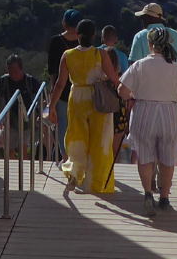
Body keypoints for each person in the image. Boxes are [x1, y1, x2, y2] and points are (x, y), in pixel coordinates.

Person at [119, 26, 177, 214]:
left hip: (144, 110)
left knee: (144, 155)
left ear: (150, 44)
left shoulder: (139, 65)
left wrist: (134, 95)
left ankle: (147, 193)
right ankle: (165, 197)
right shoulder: (176, 68)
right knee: (168, 156)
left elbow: (122, 91)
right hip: (169, 112)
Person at [47, 18, 121, 194]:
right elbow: (113, 78)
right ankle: (98, 183)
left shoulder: (68, 55)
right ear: (94, 35)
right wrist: (128, 94)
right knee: (100, 141)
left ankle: (74, 175)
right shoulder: (100, 54)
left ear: (77, 35)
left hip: (77, 98)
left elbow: (59, 84)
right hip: (97, 98)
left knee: (77, 138)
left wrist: (51, 106)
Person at [44, 10, 81, 162]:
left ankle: (66, 161)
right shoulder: (84, 42)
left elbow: (52, 68)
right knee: (80, 130)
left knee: (63, 130)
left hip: (62, 91)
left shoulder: (56, 41)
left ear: (64, 24)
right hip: (81, 92)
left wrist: (53, 90)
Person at [0, 54, 41, 156]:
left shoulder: (30, 81)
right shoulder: (4, 81)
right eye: (10, 72)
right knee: (9, 149)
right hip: (10, 119)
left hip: (26, 119)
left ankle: (23, 170)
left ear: (21, 69)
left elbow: (43, 97)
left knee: (22, 148)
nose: (13, 75)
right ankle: (10, 169)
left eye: (15, 72)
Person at [101, 25, 131, 167]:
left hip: (98, 103)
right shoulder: (123, 57)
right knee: (115, 148)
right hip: (117, 107)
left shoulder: (96, 52)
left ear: (102, 37)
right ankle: (114, 172)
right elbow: (126, 81)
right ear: (116, 39)